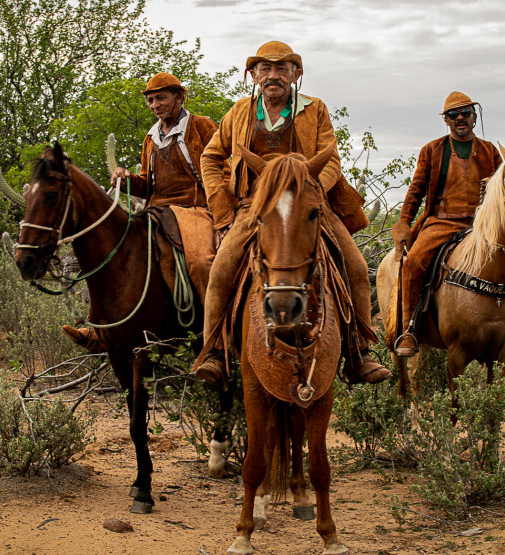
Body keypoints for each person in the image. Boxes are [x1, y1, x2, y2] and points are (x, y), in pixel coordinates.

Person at [192, 41, 391, 386]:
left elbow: (331, 160)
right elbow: (210, 157)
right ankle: (215, 353)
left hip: (308, 204)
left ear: (296, 74)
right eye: (265, 69)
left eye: (282, 69)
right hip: (255, 206)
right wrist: (223, 209)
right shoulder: (239, 112)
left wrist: (312, 191)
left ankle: (360, 352)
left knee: (357, 267)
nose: (273, 76)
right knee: (221, 269)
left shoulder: (315, 109)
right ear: (254, 75)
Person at [62, 72, 220, 351]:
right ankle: (101, 329)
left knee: (201, 263)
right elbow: (148, 185)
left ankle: (216, 335)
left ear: (179, 97)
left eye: (161, 98)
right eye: (150, 100)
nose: (155, 105)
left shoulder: (201, 126)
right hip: (157, 210)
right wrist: (126, 179)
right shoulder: (151, 137)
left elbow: (221, 169)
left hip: (195, 208)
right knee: (114, 255)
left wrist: (220, 208)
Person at [391, 91, 504, 357]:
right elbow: (416, 190)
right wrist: (405, 222)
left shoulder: (489, 151)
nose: (460, 118)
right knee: (413, 263)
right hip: (441, 222)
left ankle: (503, 333)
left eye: (465, 113)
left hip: (480, 226)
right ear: (446, 120)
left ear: (474, 117)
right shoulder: (432, 150)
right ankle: (408, 329)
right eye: (453, 115)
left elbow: (503, 188)